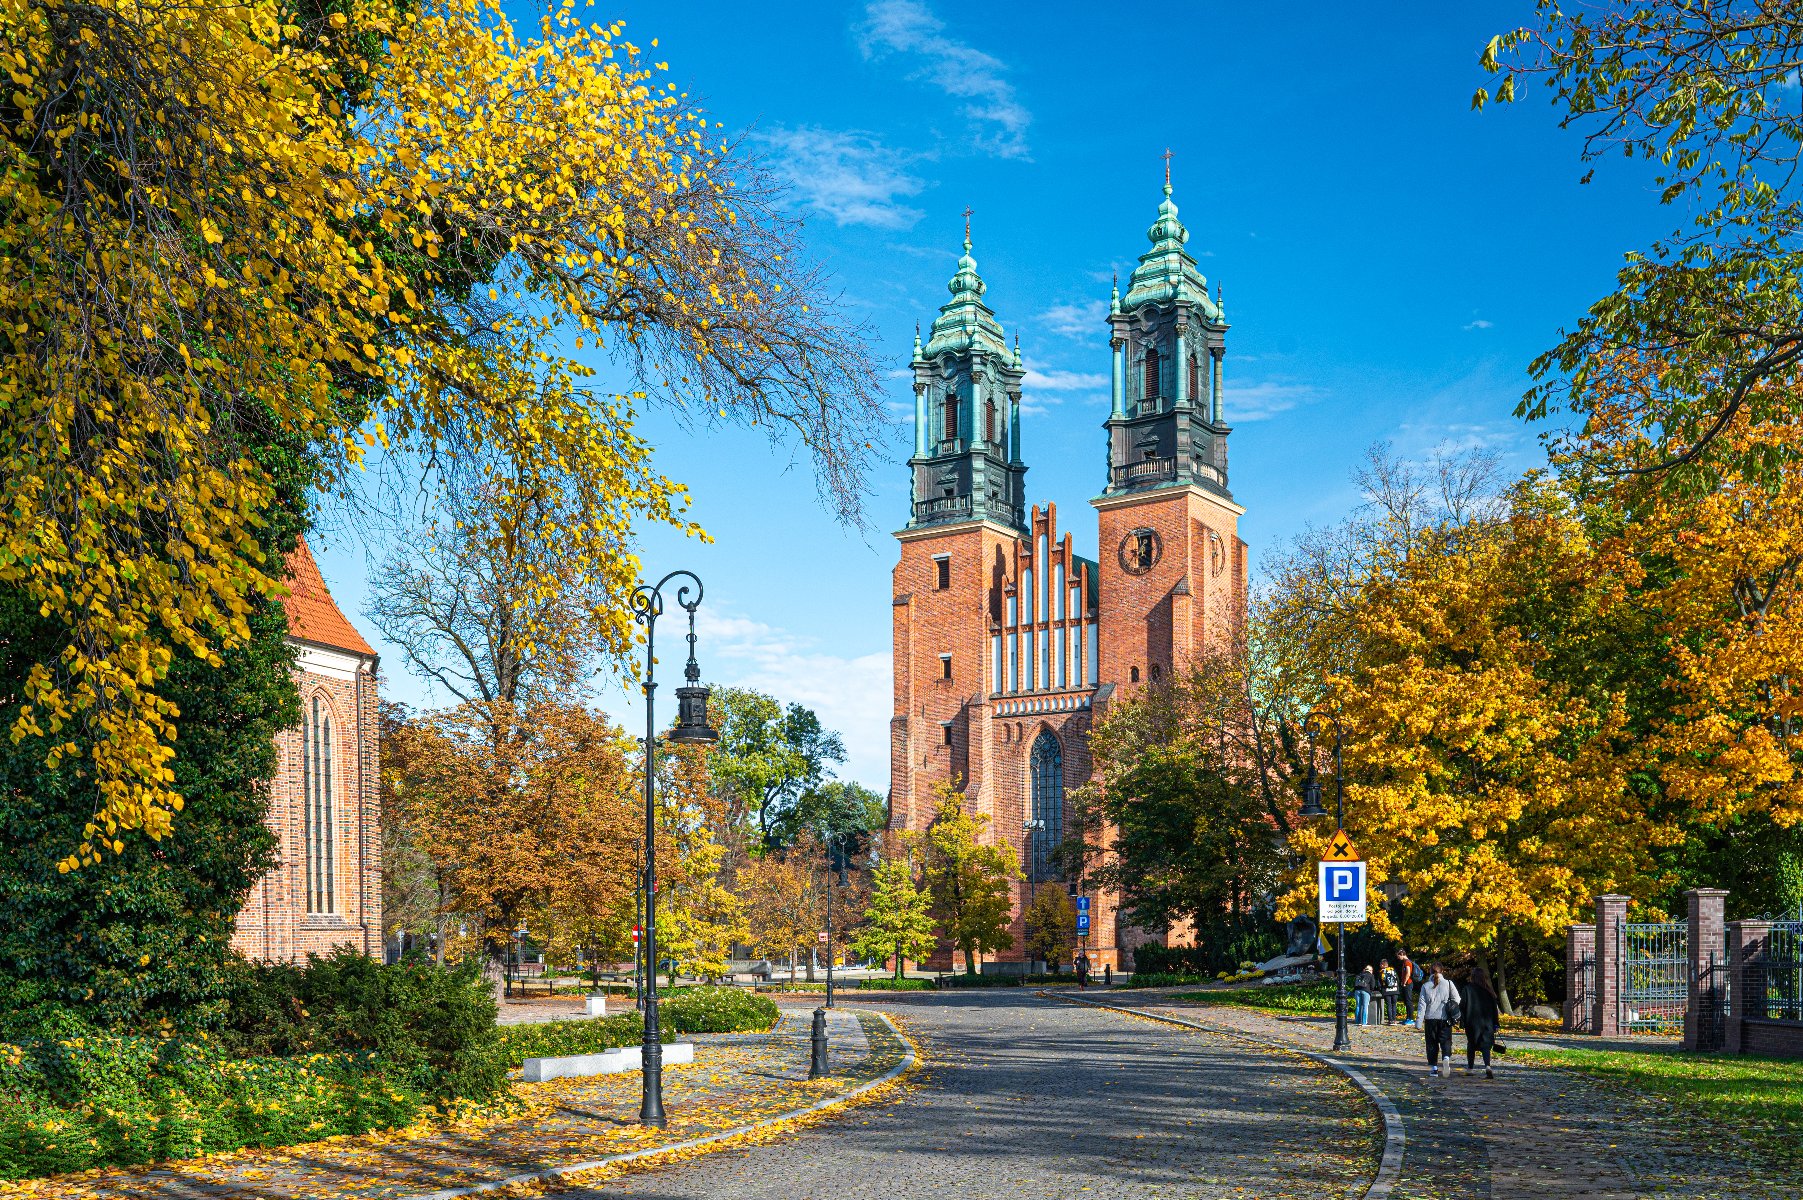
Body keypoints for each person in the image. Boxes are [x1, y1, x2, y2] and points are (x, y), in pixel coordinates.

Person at [1418, 962, 1461, 1077]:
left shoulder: (1425, 986)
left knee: (1431, 1043)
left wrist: (1418, 1022)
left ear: (1430, 972)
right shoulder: (1448, 983)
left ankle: (1434, 1068)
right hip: (1445, 1018)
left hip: (1430, 1018)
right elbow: (1457, 998)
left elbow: (1422, 1005)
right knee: (1446, 1040)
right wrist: (1451, 1006)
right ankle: (1446, 1058)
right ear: (1442, 971)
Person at [1463, 963, 1501, 1078]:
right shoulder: (1489, 991)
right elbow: (1494, 1009)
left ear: (1473, 977)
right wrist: (1496, 1024)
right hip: (1487, 1022)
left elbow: (1462, 1005)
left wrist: (1462, 1021)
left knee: (1471, 1044)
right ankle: (1487, 1066)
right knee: (1485, 1046)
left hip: (1472, 1022)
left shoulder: (1467, 989)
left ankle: (1470, 1068)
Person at [1396, 949, 1420, 1026]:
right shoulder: (1405, 962)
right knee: (1406, 1001)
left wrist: (1404, 982)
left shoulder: (1407, 962)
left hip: (1408, 984)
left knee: (1408, 1001)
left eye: (1398, 956)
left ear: (1402, 954)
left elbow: (1408, 973)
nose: (1398, 958)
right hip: (1406, 984)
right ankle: (1408, 1018)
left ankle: (1411, 1018)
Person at [1378, 959, 1400, 1024]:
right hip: (1395, 990)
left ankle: (1390, 1020)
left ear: (1382, 965)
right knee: (1394, 1005)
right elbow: (1398, 979)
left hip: (1386, 990)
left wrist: (1381, 990)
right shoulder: (1393, 970)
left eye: (1380, 964)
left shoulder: (1382, 972)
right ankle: (1394, 1020)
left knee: (1389, 1005)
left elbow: (1379, 983)